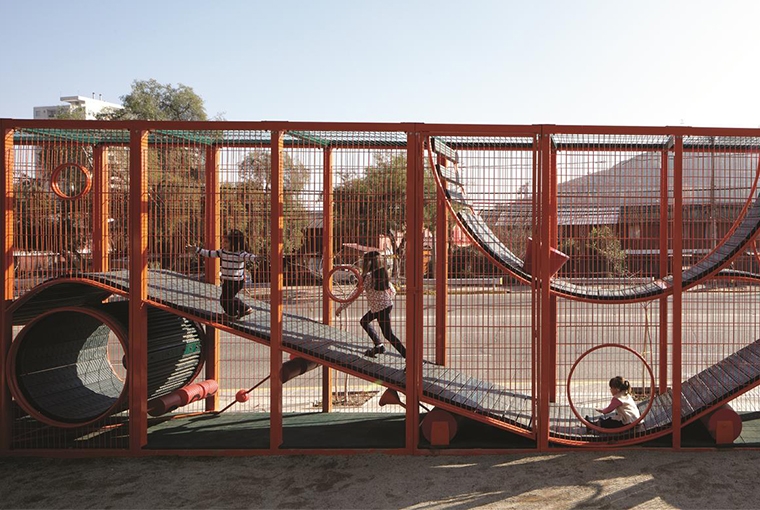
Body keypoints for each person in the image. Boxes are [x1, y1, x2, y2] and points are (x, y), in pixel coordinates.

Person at [336, 250, 406, 358]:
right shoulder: (382, 273)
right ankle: (379, 345)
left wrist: (341, 307)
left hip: (380, 308)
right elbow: (392, 290)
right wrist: (385, 299)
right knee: (364, 321)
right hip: (383, 306)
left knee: (388, 334)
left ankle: (408, 357)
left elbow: (355, 294)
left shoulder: (368, 277)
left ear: (368, 263)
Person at [186, 229, 256, 319]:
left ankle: (235, 313)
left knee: (225, 299)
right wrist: (197, 250)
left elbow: (249, 256)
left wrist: (256, 258)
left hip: (236, 281)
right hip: (227, 281)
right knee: (228, 299)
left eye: (226, 242)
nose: (223, 243)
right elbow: (210, 253)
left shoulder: (240, 254)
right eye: (223, 241)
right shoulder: (223, 252)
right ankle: (241, 310)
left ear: (234, 243)